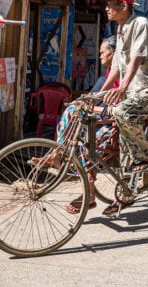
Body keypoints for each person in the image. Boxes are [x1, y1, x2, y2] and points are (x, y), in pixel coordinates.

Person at [101, 0, 148, 214]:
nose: (106, 9)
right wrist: (99, 94)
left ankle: (147, 156)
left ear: (124, 6)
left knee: (121, 112)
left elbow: (137, 58)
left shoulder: (140, 23)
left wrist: (122, 88)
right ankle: (126, 193)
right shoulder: (121, 29)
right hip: (136, 93)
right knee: (123, 140)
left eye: (111, 5)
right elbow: (115, 68)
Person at [48, 36, 120, 214]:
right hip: (103, 120)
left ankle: (89, 194)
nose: (100, 56)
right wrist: (84, 103)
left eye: (103, 52)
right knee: (72, 111)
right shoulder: (106, 75)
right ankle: (58, 151)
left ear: (114, 53)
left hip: (116, 124)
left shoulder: (124, 74)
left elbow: (118, 106)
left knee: (87, 147)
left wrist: (93, 107)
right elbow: (93, 96)